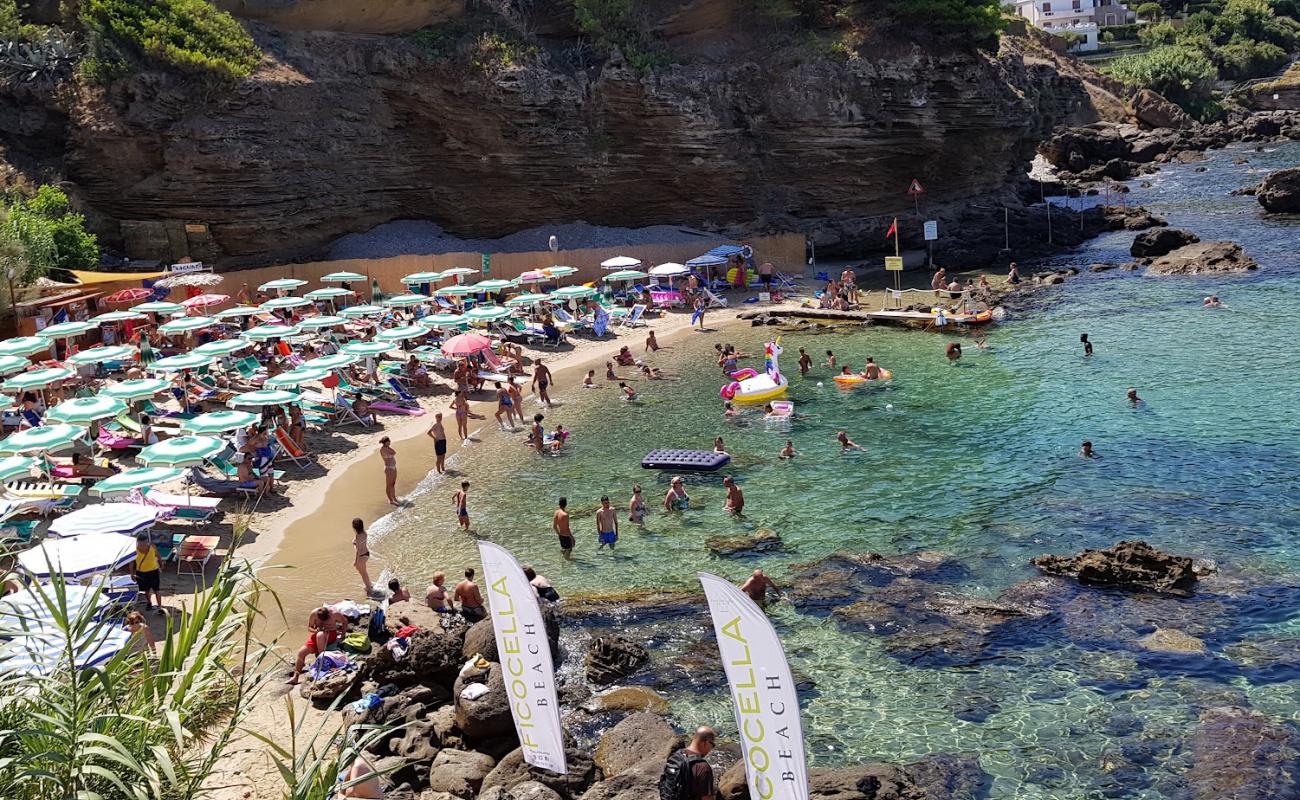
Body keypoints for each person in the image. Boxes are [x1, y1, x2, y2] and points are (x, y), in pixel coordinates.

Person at [289, 606, 349, 685]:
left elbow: (345, 622)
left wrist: (343, 636)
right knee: (301, 653)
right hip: (316, 636)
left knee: (320, 635)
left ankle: (321, 661)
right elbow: (309, 627)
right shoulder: (314, 614)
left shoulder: (335, 613)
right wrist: (315, 630)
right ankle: (295, 677)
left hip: (330, 635)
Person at [660, 727, 716, 800]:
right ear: (706, 743)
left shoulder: (676, 755)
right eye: (713, 745)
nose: (711, 749)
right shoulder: (703, 768)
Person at [131, 532, 163, 612]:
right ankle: (149, 603)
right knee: (146, 590)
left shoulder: (152, 546)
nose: (143, 546)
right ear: (137, 543)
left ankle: (160, 607)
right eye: (141, 544)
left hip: (153, 571)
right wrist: (132, 574)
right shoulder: (134, 550)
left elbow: (158, 555)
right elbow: (131, 562)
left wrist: (161, 564)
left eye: (145, 544)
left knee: (157, 590)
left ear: (147, 542)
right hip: (141, 573)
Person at [352, 518, 373, 596]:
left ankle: (369, 589)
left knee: (363, 574)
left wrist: (356, 561)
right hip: (366, 554)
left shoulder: (358, 536)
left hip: (361, 556)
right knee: (364, 573)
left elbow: (358, 550)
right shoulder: (365, 533)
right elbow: (360, 544)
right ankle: (369, 585)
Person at [379, 437, 398, 505]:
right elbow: (393, 453)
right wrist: (389, 449)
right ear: (385, 442)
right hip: (389, 468)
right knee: (389, 485)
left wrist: (389, 447)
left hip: (393, 467)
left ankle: (394, 497)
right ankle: (390, 499)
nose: (389, 443)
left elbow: (394, 452)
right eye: (388, 442)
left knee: (393, 483)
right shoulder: (382, 449)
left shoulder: (388, 448)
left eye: (389, 441)